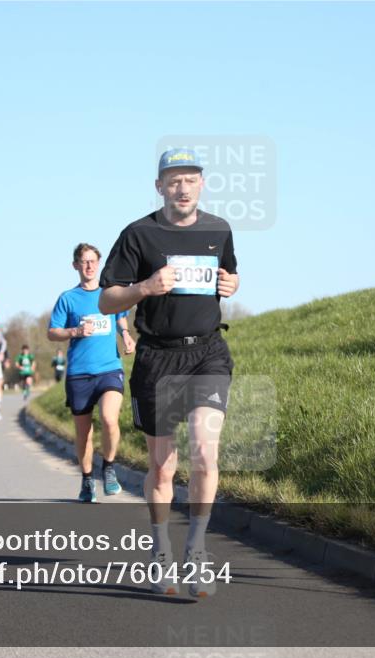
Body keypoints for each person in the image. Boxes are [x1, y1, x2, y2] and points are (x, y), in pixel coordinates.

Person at [99, 148, 239, 598]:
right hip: (157, 359)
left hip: (207, 354)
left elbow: (228, 276)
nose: (182, 188)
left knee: (204, 450)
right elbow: (106, 300)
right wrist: (143, 288)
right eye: (173, 181)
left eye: (191, 179)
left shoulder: (219, 229)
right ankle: (160, 550)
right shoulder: (138, 234)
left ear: (202, 184)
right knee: (161, 468)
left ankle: (196, 549)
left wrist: (233, 284)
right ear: (159, 186)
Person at [48, 243, 136, 503]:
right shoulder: (67, 298)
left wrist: (127, 336)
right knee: (83, 432)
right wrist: (74, 331)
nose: (89, 266)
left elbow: (120, 317)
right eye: (84, 261)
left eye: (93, 261)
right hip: (79, 372)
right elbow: (52, 332)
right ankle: (87, 479)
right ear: (75, 265)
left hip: (109, 367)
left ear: (99, 264)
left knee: (110, 419)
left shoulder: (109, 294)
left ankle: (109, 468)